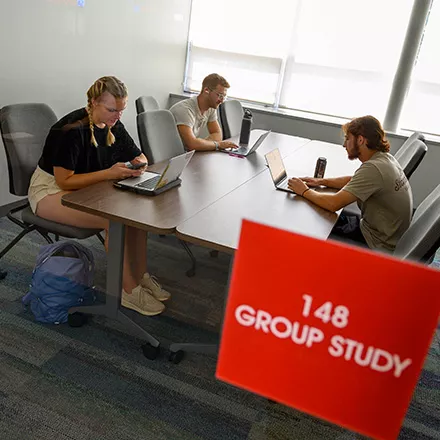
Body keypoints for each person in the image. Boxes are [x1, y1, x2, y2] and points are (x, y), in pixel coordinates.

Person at [28, 76, 169, 316]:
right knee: (111, 220)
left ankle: (140, 275)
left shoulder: (112, 124)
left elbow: (140, 156)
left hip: (88, 189)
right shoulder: (71, 130)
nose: (117, 116)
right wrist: (109, 173)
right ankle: (128, 290)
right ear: (93, 102)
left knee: (137, 211)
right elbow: (64, 181)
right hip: (49, 191)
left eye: (121, 110)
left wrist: (140, 165)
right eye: (112, 109)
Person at [287, 115, 413, 252]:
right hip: (382, 233)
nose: (344, 144)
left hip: (375, 243)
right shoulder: (385, 158)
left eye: (347, 139)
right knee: (324, 217)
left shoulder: (373, 169)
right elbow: (355, 179)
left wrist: (304, 191)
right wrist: (322, 181)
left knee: (314, 230)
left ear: (360, 140)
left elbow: (333, 204)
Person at [169, 73, 238, 151]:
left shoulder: (211, 108)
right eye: (220, 95)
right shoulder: (185, 110)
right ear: (206, 90)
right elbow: (192, 144)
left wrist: (202, 145)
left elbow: (217, 134)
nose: (222, 100)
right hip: (170, 156)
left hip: (186, 154)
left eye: (224, 97)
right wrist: (217, 145)